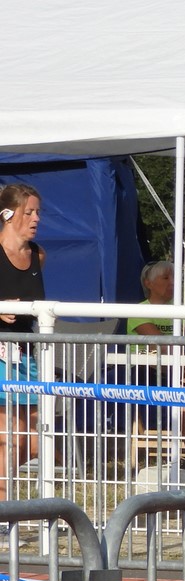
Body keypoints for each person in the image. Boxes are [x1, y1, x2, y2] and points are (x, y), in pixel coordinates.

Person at [1, 184, 46, 504]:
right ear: (8, 214)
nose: (36, 219)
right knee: (9, 440)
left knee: (32, 443)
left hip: (25, 356)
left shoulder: (38, 255)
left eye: (38, 212)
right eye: (28, 212)